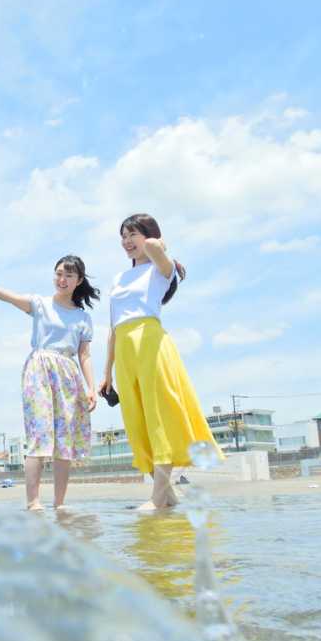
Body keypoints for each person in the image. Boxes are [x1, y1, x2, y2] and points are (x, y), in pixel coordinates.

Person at [98, 214, 220, 511]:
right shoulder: (118, 278)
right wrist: (107, 373)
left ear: (149, 235)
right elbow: (113, 329)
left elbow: (153, 245)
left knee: (158, 417)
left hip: (151, 342)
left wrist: (160, 246)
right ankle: (168, 496)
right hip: (125, 347)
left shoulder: (161, 269)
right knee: (136, 422)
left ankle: (156, 498)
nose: (126, 241)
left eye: (132, 234)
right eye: (123, 236)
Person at [0, 256, 99, 511]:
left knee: (64, 442)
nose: (62, 279)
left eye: (69, 275)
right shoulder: (40, 304)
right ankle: (34, 502)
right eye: (59, 273)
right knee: (39, 436)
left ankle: (59, 503)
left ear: (78, 281)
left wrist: (91, 387)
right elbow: (10, 297)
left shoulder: (83, 318)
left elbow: (84, 355)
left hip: (68, 373)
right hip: (39, 369)